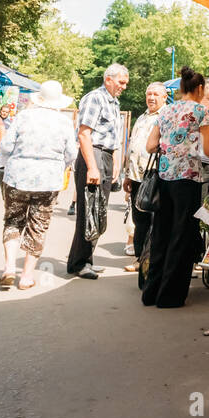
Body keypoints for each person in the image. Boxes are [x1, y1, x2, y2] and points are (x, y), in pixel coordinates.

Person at [141, 67, 209, 308]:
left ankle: (150, 292)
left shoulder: (166, 111)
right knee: (182, 236)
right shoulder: (201, 112)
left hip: (164, 178)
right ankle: (170, 296)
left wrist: (171, 149)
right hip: (188, 179)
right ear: (199, 89)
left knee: (161, 235)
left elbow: (150, 145)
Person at [0, 80, 78, 290]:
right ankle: (26, 276)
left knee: (13, 220)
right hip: (48, 180)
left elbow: (6, 146)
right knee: (38, 226)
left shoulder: (24, 116)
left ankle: (8, 268)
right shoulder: (64, 122)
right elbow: (72, 153)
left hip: (17, 176)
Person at [66, 63, 129, 279]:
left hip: (104, 156)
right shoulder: (95, 97)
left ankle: (85, 260)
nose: (124, 87)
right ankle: (79, 263)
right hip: (93, 155)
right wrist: (92, 166)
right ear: (108, 79)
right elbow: (84, 134)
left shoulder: (113, 102)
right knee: (89, 211)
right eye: (121, 82)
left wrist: (116, 162)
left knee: (98, 211)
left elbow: (114, 138)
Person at [121, 81, 166, 262]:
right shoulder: (142, 117)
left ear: (164, 97)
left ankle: (151, 261)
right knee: (140, 221)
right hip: (137, 177)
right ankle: (140, 260)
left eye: (156, 94)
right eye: (149, 94)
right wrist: (127, 176)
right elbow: (132, 147)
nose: (151, 98)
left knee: (155, 222)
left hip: (156, 178)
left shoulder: (166, 116)